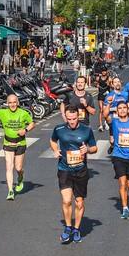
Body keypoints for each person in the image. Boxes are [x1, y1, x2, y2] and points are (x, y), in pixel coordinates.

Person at [50, 104, 98, 243]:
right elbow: (53, 140)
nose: (71, 122)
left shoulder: (86, 130)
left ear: (78, 116)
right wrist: (55, 150)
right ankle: (68, 227)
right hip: (64, 169)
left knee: (79, 203)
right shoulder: (59, 129)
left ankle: (76, 229)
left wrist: (87, 149)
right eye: (69, 119)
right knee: (66, 200)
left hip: (81, 171)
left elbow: (94, 148)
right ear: (65, 117)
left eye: (74, 118)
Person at [0, 89, 36, 200]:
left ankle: (20, 177)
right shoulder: (3, 113)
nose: (12, 104)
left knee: (18, 167)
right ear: (7, 103)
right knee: (9, 166)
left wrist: (25, 130)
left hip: (20, 143)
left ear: (18, 103)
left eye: (14, 102)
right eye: (10, 102)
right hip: (8, 143)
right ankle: (10, 191)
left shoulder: (23, 113)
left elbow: (32, 123)